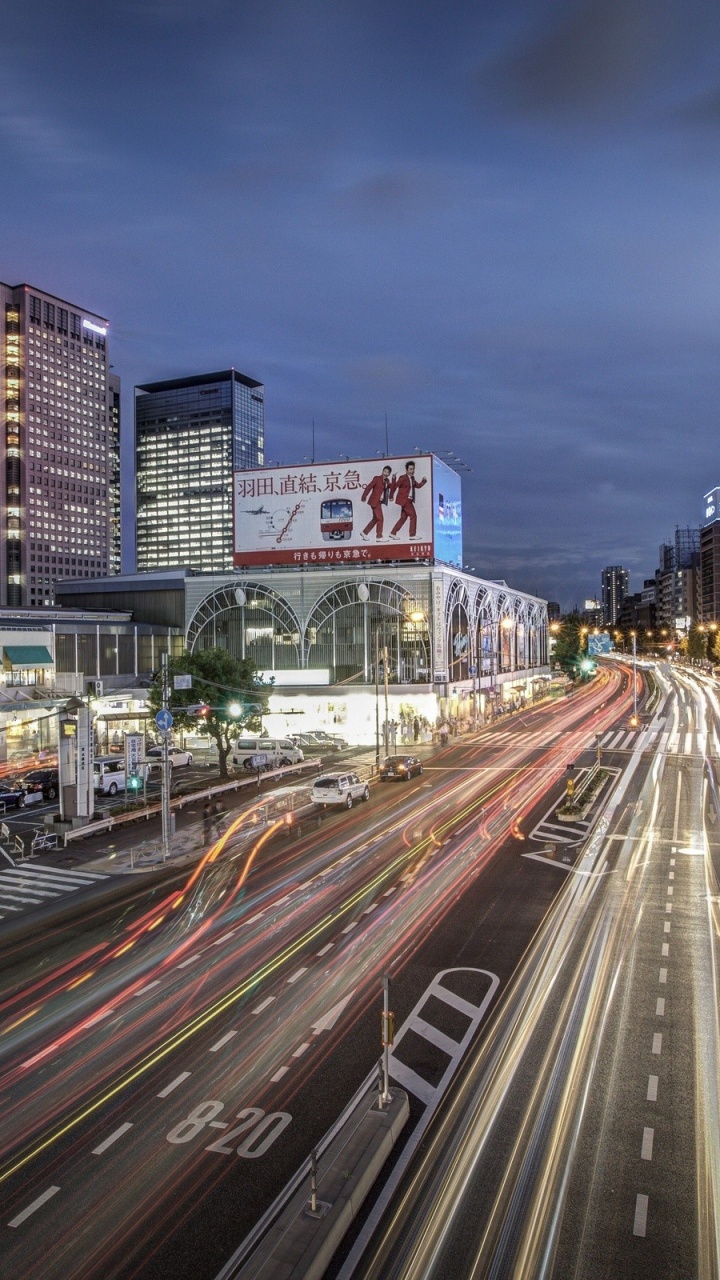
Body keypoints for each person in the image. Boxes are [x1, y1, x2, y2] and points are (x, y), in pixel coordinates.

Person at [389, 461, 427, 540]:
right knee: (413, 516)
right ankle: (412, 535)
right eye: (410, 469)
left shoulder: (412, 478)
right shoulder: (403, 478)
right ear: (406, 470)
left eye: (413, 469)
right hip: (405, 500)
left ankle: (393, 533)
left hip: (409, 500)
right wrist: (393, 478)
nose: (412, 471)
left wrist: (423, 481)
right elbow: (395, 486)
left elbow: (418, 486)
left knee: (403, 518)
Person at [361, 465, 395, 540]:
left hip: (379, 502)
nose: (386, 473)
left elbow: (392, 486)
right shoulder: (377, 478)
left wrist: (393, 478)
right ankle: (379, 536)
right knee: (380, 519)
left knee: (375, 519)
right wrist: (364, 496)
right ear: (382, 471)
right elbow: (369, 487)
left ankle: (364, 533)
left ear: (389, 474)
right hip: (374, 501)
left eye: (387, 472)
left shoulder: (387, 481)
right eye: (385, 471)